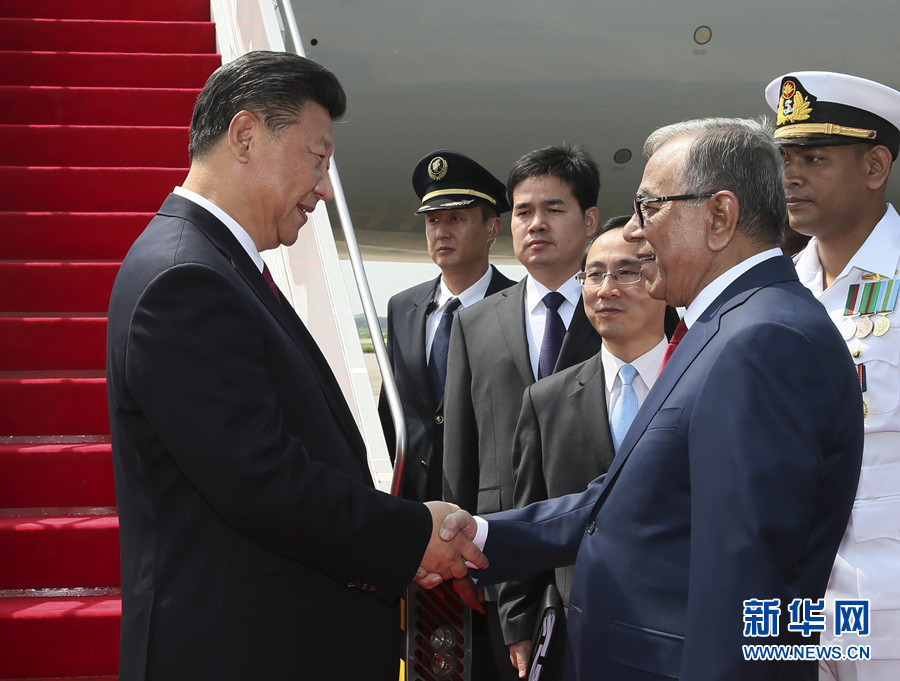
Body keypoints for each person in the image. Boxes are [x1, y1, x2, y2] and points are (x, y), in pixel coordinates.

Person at [429, 117, 864, 680]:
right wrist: (483, 533)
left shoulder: (763, 341)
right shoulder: (723, 326)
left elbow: (745, 576)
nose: (634, 232)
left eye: (650, 208)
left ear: (719, 216)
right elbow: (628, 498)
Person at [105, 50, 484, 681]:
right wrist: (411, 530)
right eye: (318, 158)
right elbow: (262, 482)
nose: (325, 186)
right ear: (246, 136)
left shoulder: (215, 264)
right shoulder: (186, 277)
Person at [442, 143, 604, 679]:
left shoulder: (632, 310)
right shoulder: (474, 323)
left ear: (589, 220)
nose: (536, 224)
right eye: (523, 212)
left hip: (599, 555)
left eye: (554, 210)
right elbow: (460, 452)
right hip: (502, 562)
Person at [764, 71, 900, 681]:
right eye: (786, 158)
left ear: (875, 166)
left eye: (813, 158)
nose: (791, 175)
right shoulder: (776, 289)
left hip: (886, 604)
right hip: (789, 602)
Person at [500, 215, 676, 678]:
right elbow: (531, 510)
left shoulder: (701, 382)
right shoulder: (546, 400)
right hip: (582, 638)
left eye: (626, 271)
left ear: (661, 278)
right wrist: (519, 621)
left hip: (679, 632)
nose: (606, 289)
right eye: (594, 274)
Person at [379, 150, 514, 502]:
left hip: (486, 505)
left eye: (456, 219)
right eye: (433, 221)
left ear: (493, 228)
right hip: (412, 503)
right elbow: (391, 410)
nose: (441, 232)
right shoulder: (402, 308)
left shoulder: (519, 308)